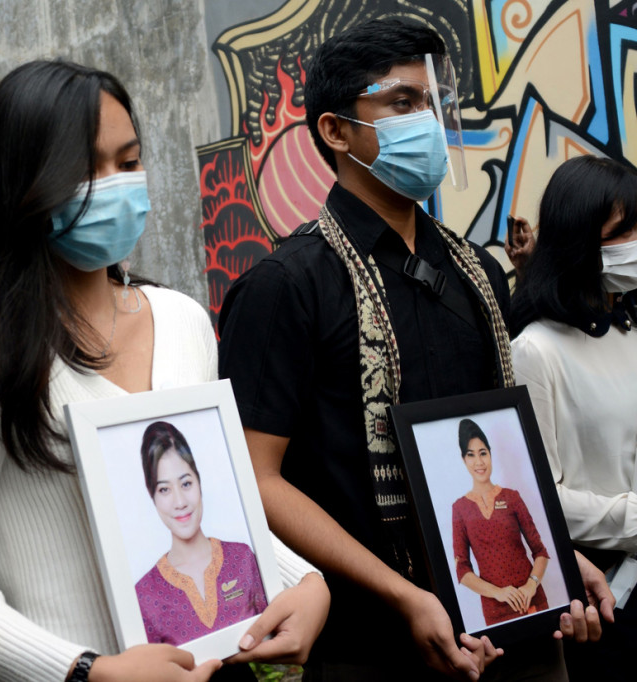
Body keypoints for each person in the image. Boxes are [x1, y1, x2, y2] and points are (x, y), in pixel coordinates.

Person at [0, 59, 330, 682]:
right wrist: (86, 672)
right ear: (21, 186)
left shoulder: (182, 319)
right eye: (82, 170)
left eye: (127, 163)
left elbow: (226, 513)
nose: (114, 185)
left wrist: (306, 581)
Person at [217, 18, 613, 682]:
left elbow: (492, 452)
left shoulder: (476, 276)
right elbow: (256, 480)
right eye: (402, 102)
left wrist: (559, 552)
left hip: (512, 626)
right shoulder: (286, 287)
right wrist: (405, 595)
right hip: (373, 643)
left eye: (435, 102)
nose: (427, 120)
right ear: (336, 130)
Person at [510, 154, 637, 681]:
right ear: (579, 237)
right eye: (624, 229)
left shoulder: (627, 328)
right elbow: (537, 497)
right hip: (602, 600)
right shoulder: (534, 351)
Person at [136, 421, 268, 645]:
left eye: (186, 483)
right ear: (153, 497)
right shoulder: (144, 594)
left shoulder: (242, 557)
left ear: (199, 482)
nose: (179, 502)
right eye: (164, 489)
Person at [452, 419, 549, 626]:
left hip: (531, 600)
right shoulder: (459, 508)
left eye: (483, 453)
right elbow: (462, 570)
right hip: (496, 612)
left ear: (490, 454)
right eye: (471, 455)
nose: (479, 462)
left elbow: (540, 551)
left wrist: (531, 586)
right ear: (464, 460)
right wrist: (499, 593)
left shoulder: (512, 497)